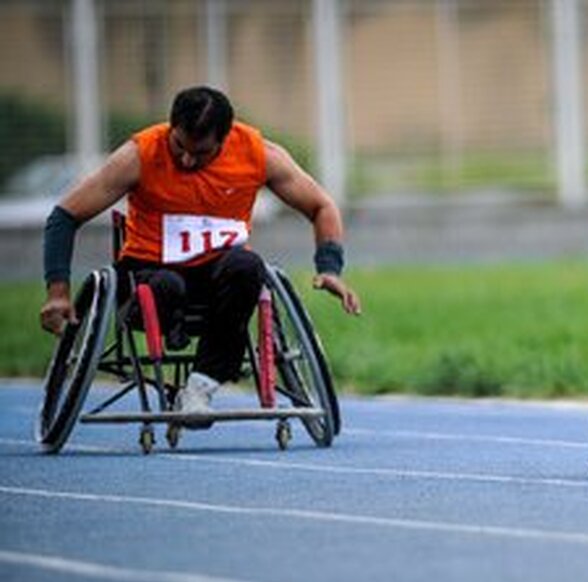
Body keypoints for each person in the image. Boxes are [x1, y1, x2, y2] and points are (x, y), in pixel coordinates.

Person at [38, 85, 361, 421]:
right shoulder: (140, 154)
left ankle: (200, 387)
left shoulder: (257, 154)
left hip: (218, 278)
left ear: (225, 138)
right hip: (148, 275)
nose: (187, 159)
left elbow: (322, 205)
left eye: (201, 152)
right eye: (179, 146)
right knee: (167, 285)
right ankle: (174, 327)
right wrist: (57, 292)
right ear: (171, 126)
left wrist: (330, 268)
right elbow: (65, 216)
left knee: (249, 266)